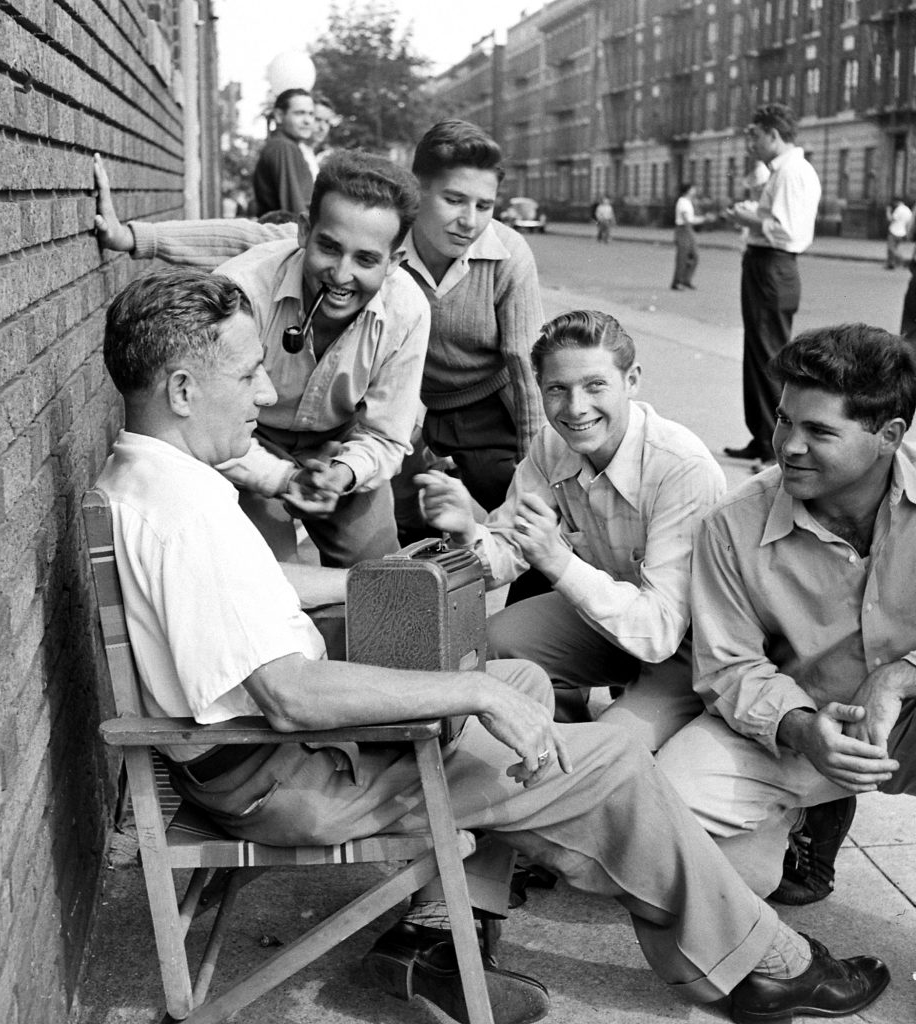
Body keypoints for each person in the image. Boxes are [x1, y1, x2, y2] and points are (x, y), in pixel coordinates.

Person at [93, 266, 890, 1024]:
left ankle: (440, 935)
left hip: (272, 759)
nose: (266, 394)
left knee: (520, 679)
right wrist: (471, 694)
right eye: (248, 375)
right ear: (184, 389)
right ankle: (771, 964)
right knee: (609, 762)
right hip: (294, 777)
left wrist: (379, 582)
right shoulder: (189, 514)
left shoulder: (159, 483)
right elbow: (289, 692)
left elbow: (268, 596)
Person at [656, 324, 916, 910]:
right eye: (783, 420)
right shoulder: (733, 522)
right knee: (668, 813)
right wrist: (802, 729)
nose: (788, 445)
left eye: (819, 431)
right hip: (804, 722)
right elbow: (729, 667)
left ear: (889, 435)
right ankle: (804, 818)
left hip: (911, 713)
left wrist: (899, 676)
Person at [93, 150, 430, 568]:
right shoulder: (240, 289)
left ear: (395, 262)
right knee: (267, 572)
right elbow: (201, 419)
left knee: (380, 574)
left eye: (366, 259)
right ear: (304, 233)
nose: (341, 275)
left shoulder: (409, 311)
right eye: (329, 247)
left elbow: (387, 435)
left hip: (338, 444)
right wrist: (280, 477)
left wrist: (342, 474)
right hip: (244, 437)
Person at [417, 310, 725, 742]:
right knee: (497, 641)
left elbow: (658, 633)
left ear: (632, 380)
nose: (576, 408)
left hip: (687, 645)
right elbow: (507, 552)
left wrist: (558, 561)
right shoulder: (552, 443)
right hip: (609, 619)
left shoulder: (680, 467)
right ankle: (561, 738)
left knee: (611, 749)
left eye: (595, 385)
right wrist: (469, 532)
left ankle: (610, 746)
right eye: (557, 389)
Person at [396, 120, 546, 533]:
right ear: (417, 189)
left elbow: (527, 371)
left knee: (527, 522)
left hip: (487, 411)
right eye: (454, 199)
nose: (469, 221)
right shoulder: (385, 240)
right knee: (403, 525)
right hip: (406, 406)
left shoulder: (509, 254)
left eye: (484, 206)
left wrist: (539, 470)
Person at [723, 104, 821, 465]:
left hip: (773, 266)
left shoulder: (792, 172)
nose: (752, 142)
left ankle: (774, 442)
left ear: (774, 135)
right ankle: (762, 434)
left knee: (768, 356)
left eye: (756, 135)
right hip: (764, 266)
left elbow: (788, 230)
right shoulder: (780, 172)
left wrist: (749, 219)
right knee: (757, 351)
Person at [252, 88, 315, 218]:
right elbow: (293, 208)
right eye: (299, 113)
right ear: (279, 116)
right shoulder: (282, 147)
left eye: (311, 114)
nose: (308, 120)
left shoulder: (287, 146)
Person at [671, 182, 704, 290]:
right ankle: (677, 282)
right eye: (693, 189)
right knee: (682, 257)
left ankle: (686, 280)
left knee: (694, 256)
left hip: (688, 230)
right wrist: (703, 219)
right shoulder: (683, 202)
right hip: (683, 230)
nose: (695, 191)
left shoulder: (688, 202)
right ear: (688, 190)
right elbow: (687, 220)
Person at [885, 196, 912, 270]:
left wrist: (888, 211)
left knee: (891, 248)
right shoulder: (908, 210)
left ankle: (903, 261)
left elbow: (890, 219)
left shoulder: (899, 210)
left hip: (894, 231)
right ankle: (891, 264)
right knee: (894, 248)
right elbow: (909, 223)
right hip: (902, 232)